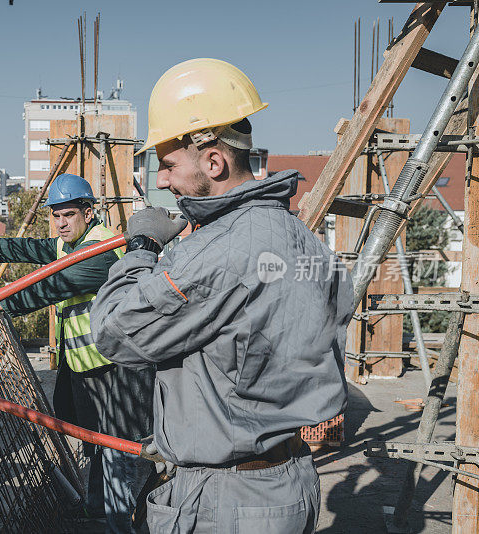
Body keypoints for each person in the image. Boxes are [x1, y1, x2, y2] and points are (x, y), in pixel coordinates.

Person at [89, 58, 351, 533]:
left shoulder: (227, 248)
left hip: (227, 499)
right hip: (286, 480)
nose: (163, 180)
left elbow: (113, 331)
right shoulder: (297, 235)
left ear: (214, 161)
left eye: (168, 165)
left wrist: (143, 248)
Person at [0, 173, 155, 533]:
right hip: (86, 365)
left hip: (115, 368)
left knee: (117, 449)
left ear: (88, 212)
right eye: (56, 215)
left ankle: (119, 524)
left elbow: (52, 286)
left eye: (68, 214)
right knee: (94, 442)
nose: (60, 223)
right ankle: (98, 508)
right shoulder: (68, 243)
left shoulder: (102, 250)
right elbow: (29, 249)